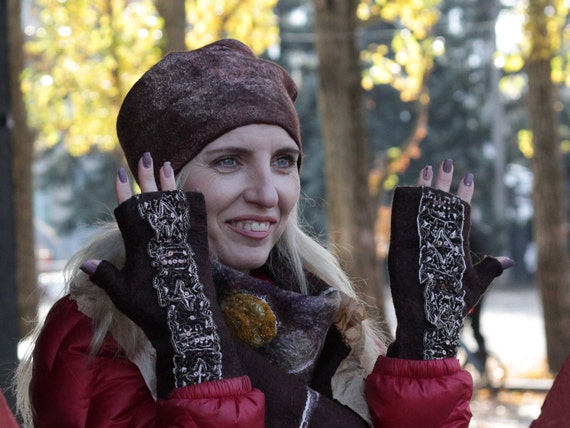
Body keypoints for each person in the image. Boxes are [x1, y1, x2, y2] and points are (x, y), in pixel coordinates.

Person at [15, 39, 513, 427]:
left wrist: (423, 362)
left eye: (284, 162)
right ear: (159, 184)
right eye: (228, 161)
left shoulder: (322, 308)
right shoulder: (95, 329)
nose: (267, 193)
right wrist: (193, 347)